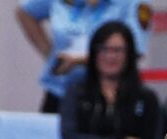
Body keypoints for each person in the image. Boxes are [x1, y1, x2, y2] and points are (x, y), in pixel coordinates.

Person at [15, 0, 150, 113]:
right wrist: (49, 53)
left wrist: (78, 61)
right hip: (61, 91)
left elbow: (135, 50)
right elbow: (25, 12)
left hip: (112, 95)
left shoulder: (132, 3)